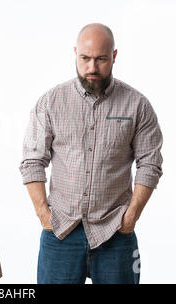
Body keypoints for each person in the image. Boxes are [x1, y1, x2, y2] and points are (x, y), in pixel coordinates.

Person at [19, 23, 163, 284]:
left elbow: (150, 163)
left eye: (101, 59)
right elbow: (32, 160)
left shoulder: (137, 105)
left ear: (114, 56)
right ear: (75, 53)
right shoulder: (50, 102)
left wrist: (131, 216)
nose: (92, 68)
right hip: (60, 231)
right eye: (85, 58)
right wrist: (43, 213)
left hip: (115, 232)